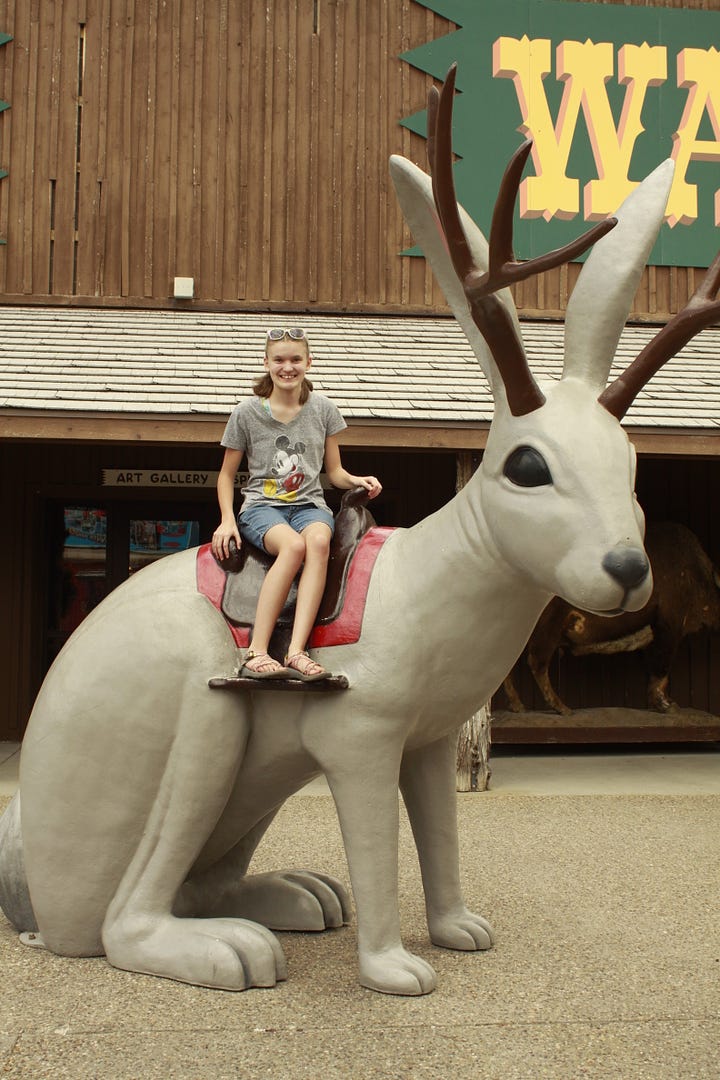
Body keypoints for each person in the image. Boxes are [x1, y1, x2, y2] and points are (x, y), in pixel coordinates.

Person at [212, 327, 382, 681]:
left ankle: (296, 652)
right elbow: (227, 476)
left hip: (309, 506)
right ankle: (256, 651)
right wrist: (228, 519)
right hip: (262, 507)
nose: (287, 367)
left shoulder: (323, 410)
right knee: (292, 546)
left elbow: (334, 472)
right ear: (266, 363)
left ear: (308, 362)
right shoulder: (245, 413)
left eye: (295, 359)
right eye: (279, 360)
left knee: (318, 542)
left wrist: (358, 481)